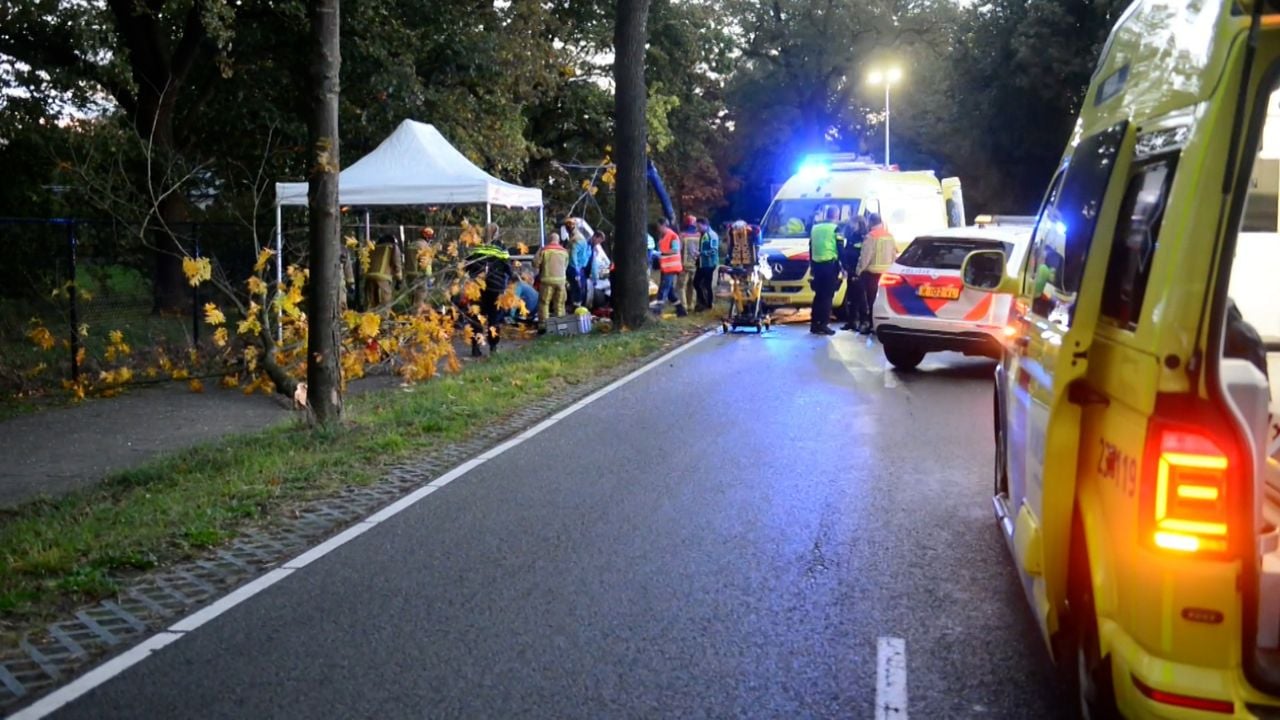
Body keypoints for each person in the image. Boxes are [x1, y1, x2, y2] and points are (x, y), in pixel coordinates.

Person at [464, 241, 514, 357]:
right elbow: (509, 270)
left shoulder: (478, 246)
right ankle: (493, 347)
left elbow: (467, 265)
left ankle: (475, 348)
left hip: (477, 289)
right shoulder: (501, 247)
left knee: (476, 318)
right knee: (494, 319)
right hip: (495, 289)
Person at [855, 213, 897, 334]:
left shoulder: (871, 236)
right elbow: (893, 255)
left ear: (871, 222)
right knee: (884, 300)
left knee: (871, 300)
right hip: (886, 274)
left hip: (872, 274)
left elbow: (865, 256)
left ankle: (870, 324)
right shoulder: (889, 236)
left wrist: (859, 270)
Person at [808, 207, 842, 335]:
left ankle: (814, 324)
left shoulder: (815, 228)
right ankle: (824, 324)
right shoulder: (836, 229)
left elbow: (811, 247)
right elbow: (840, 248)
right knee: (828, 296)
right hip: (830, 266)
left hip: (817, 266)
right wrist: (844, 266)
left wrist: (812, 265)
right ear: (836, 215)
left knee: (818, 295)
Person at [534, 232, 570, 331]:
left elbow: (535, 264)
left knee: (544, 303)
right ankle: (561, 326)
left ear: (549, 240)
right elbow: (565, 266)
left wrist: (539, 250)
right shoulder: (564, 252)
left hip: (547, 281)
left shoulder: (544, 250)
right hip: (561, 282)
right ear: (558, 240)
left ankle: (544, 326)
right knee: (560, 304)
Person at [840, 215, 870, 331]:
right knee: (851, 297)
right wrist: (845, 267)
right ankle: (851, 321)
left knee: (861, 297)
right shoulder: (851, 236)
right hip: (851, 269)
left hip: (860, 271)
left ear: (859, 223)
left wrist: (857, 271)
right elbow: (847, 252)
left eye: (853, 223)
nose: (851, 226)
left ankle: (863, 321)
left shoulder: (864, 237)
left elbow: (863, 255)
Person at [655, 217, 687, 316]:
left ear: (664, 225)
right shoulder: (663, 236)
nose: (658, 228)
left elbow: (675, 249)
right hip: (666, 267)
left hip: (671, 268)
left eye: (658, 226)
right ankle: (681, 310)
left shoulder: (673, 236)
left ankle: (657, 311)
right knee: (669, 292)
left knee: (663, 289)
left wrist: (662, 253)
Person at [364, 232, 402, 310]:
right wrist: (399, 279)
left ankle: (370, 316)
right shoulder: (392, 247)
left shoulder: (373, 247)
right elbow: (396, 262)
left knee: (372, 302)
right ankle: (383, 316)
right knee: (385, 302)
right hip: (383, 277)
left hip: (369, 276)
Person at [404, 227, 434, 313]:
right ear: (428, 237)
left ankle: (411, 315)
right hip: (420, 275)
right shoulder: (425, 247)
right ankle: (416, 317)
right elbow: (426, 264)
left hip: (409, 274)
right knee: (420, 298)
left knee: (412, 297)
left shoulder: (411, 245)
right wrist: (429, 276)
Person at [694, 217, 720, 311]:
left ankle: (708, 304)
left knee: (706, 284)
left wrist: (701, 253)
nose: (697, 228)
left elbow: (714, 250)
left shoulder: (712, 235)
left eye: (699, 226)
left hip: (709, 264)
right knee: (696, 283)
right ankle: (702, 302)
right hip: (702, 263)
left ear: (705, 225)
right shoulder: (703, 234)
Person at [563, 218, 590, 308]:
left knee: (577, 287)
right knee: (577, 287)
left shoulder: (575, 239)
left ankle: (576, 305)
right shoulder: (574, 237)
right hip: (577, 266)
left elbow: (573, 255)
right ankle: (576, 305)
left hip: (575, 267)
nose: (567, 229)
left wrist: (576, 268)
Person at [678, 214, 700, 311]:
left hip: (684, 265)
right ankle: (692, 305)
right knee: (693, 286)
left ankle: (684, 306)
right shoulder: (699, 235)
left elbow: (679, 249)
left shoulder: (682, 235)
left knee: (681, 286)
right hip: (695, 264)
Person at [587, 230, 611, 309]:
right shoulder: (587, 245)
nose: (598, 243)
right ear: (595, 237)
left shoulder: (594, 247)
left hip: (589, 271)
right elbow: (592, 263)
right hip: (584, 271)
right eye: (599, 241)